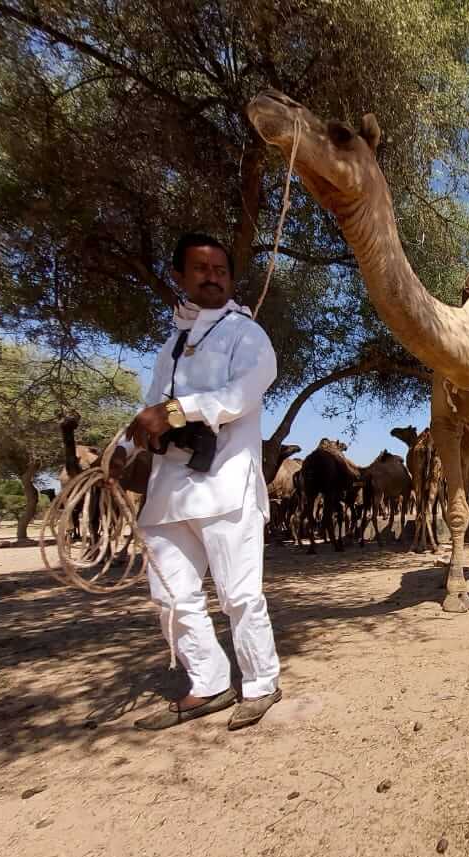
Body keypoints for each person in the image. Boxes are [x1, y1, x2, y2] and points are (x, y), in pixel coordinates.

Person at [110, 233, 281, 731]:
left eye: (221, 270)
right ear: (179, 277)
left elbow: (244, 391)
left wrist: (180, 410)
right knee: (171, 595)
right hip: (168, 489)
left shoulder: (246, 335)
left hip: (227, 482)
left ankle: (260, 682)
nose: (212, 277)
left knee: (240, 595)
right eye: (201, 269)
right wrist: (123, 451)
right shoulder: (172, 343)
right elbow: (151, 406)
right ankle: (207, 681)